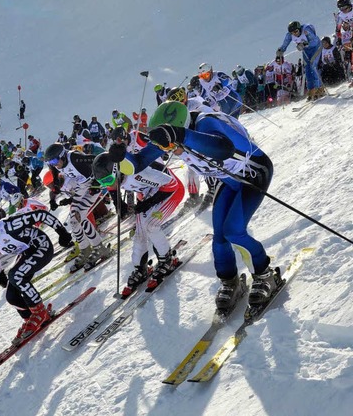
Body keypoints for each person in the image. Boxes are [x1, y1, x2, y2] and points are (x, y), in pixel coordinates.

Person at [146, 101, 276, 312]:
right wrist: (119, 159)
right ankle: (230, 280)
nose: (167, 151)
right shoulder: (178, 141)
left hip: (253, 173)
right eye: (164, 147)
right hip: (230, 180)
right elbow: (144, 157)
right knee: (219, 237)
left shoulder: (205, 123)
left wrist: (180, 135)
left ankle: (264, 273)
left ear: (181, 127)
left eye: (167, 145)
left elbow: (222, 148)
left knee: (234, 231)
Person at [0, 209, 73, 344]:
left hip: (41, 246)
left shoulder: (8, 225)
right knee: (11, 296)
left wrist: (62, 232)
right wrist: (0, 274)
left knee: (16, 275)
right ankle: (32, 318)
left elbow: (41, 214)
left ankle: (39, 312)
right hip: (26, 253)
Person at [92, 145, 184, 296]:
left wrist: (148, 203)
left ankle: (167, 259)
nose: (108, 185)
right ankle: (140, 268)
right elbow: (112, 188)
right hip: (148, 192)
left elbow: (171, 185)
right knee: (140, 231)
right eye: (102, 183)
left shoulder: (138, 173)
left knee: (151, 226)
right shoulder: (113, 178)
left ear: (117, 171)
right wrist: (119, 205)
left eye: (108, 180)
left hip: (171, 191)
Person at [44, 143, 111, 271]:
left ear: (62, 155)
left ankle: (99, 248)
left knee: (81, 216)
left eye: (54, 160)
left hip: (92, 186)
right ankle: (85, 249)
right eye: (50, 162)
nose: (53, 164)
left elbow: (98, 159)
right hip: (81, 187)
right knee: (74, 220)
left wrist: (97, 182)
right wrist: (56, 185)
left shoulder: (75, 157)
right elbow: (53, 170)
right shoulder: (56, 165)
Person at [278, 21, 325, 100]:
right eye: (292, 32)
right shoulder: (290, 35)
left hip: (316, 48)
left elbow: (314, 41)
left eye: (296, 31)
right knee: (307, 69)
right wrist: (281, 50)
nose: (294, 34)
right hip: (306, 51)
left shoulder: (306, 30)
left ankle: (319, 88)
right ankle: (311, 89)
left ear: (299, 29)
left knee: (313, 66)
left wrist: (304, 44)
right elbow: (285, 44)